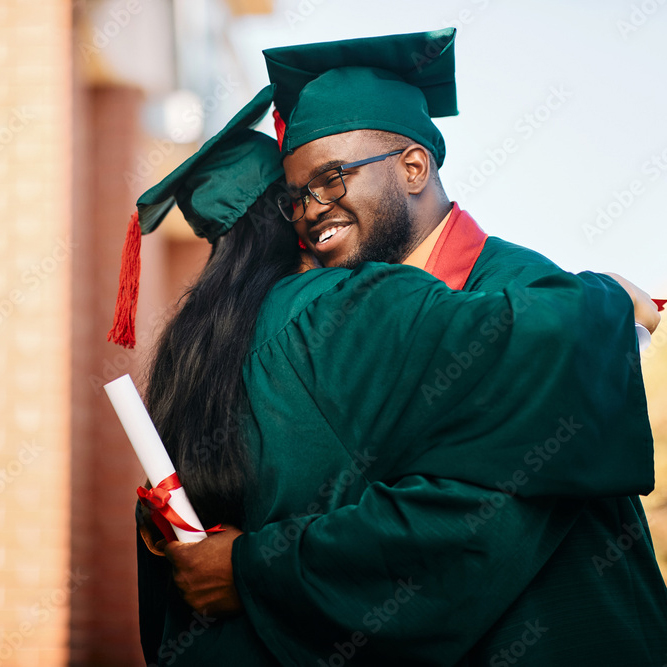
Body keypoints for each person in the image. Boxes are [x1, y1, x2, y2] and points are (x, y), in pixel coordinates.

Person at [156, 30, 667, 666]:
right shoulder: (344, 326)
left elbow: (471, 529)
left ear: (414, 166)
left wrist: (252, 569)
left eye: (332, 178)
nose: (311, 212)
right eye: (295, 198)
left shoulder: (522, 291)